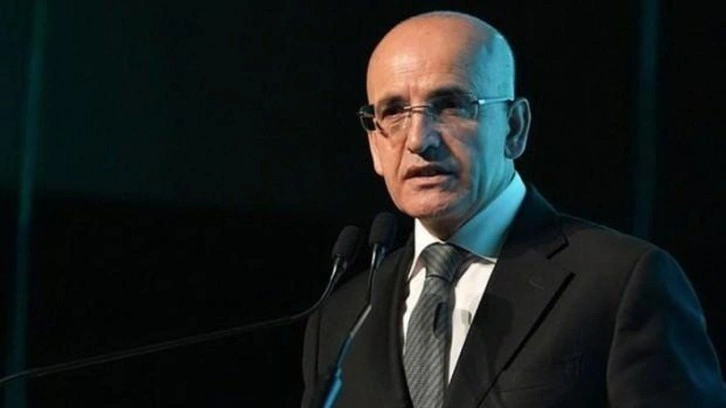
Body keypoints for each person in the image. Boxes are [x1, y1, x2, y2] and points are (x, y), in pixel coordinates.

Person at [301, 10, 726, 408]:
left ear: (514, 128)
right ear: (375, 144)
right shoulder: (340, 319)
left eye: (450, 105)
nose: (418, 139)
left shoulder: (623, 282)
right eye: (393, 112)